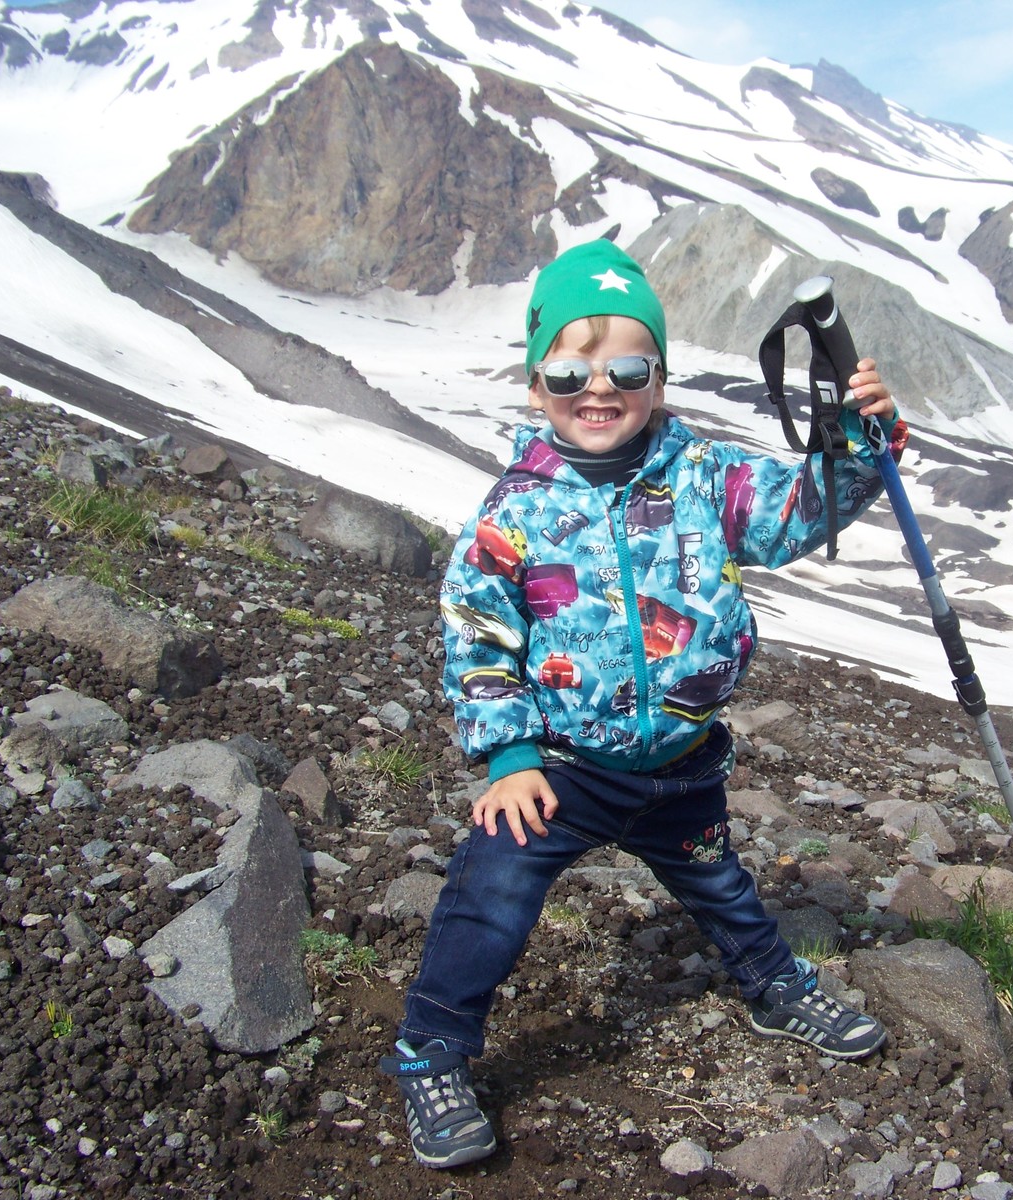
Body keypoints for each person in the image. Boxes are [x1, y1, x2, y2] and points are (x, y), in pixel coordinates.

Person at [380, 239, 901, 1169]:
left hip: (681, 760)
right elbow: (477, 633)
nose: (599, 389)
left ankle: (775, 984)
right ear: (536, 382)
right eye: (569, 370)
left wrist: (863, 442)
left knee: (719, 883)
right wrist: (507, 754)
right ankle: (435, 1048)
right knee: (491, 898)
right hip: (561, 768)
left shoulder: (702, 474)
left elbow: (797, 512)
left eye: (628, 367)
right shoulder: (514, 511)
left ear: (658, 377)